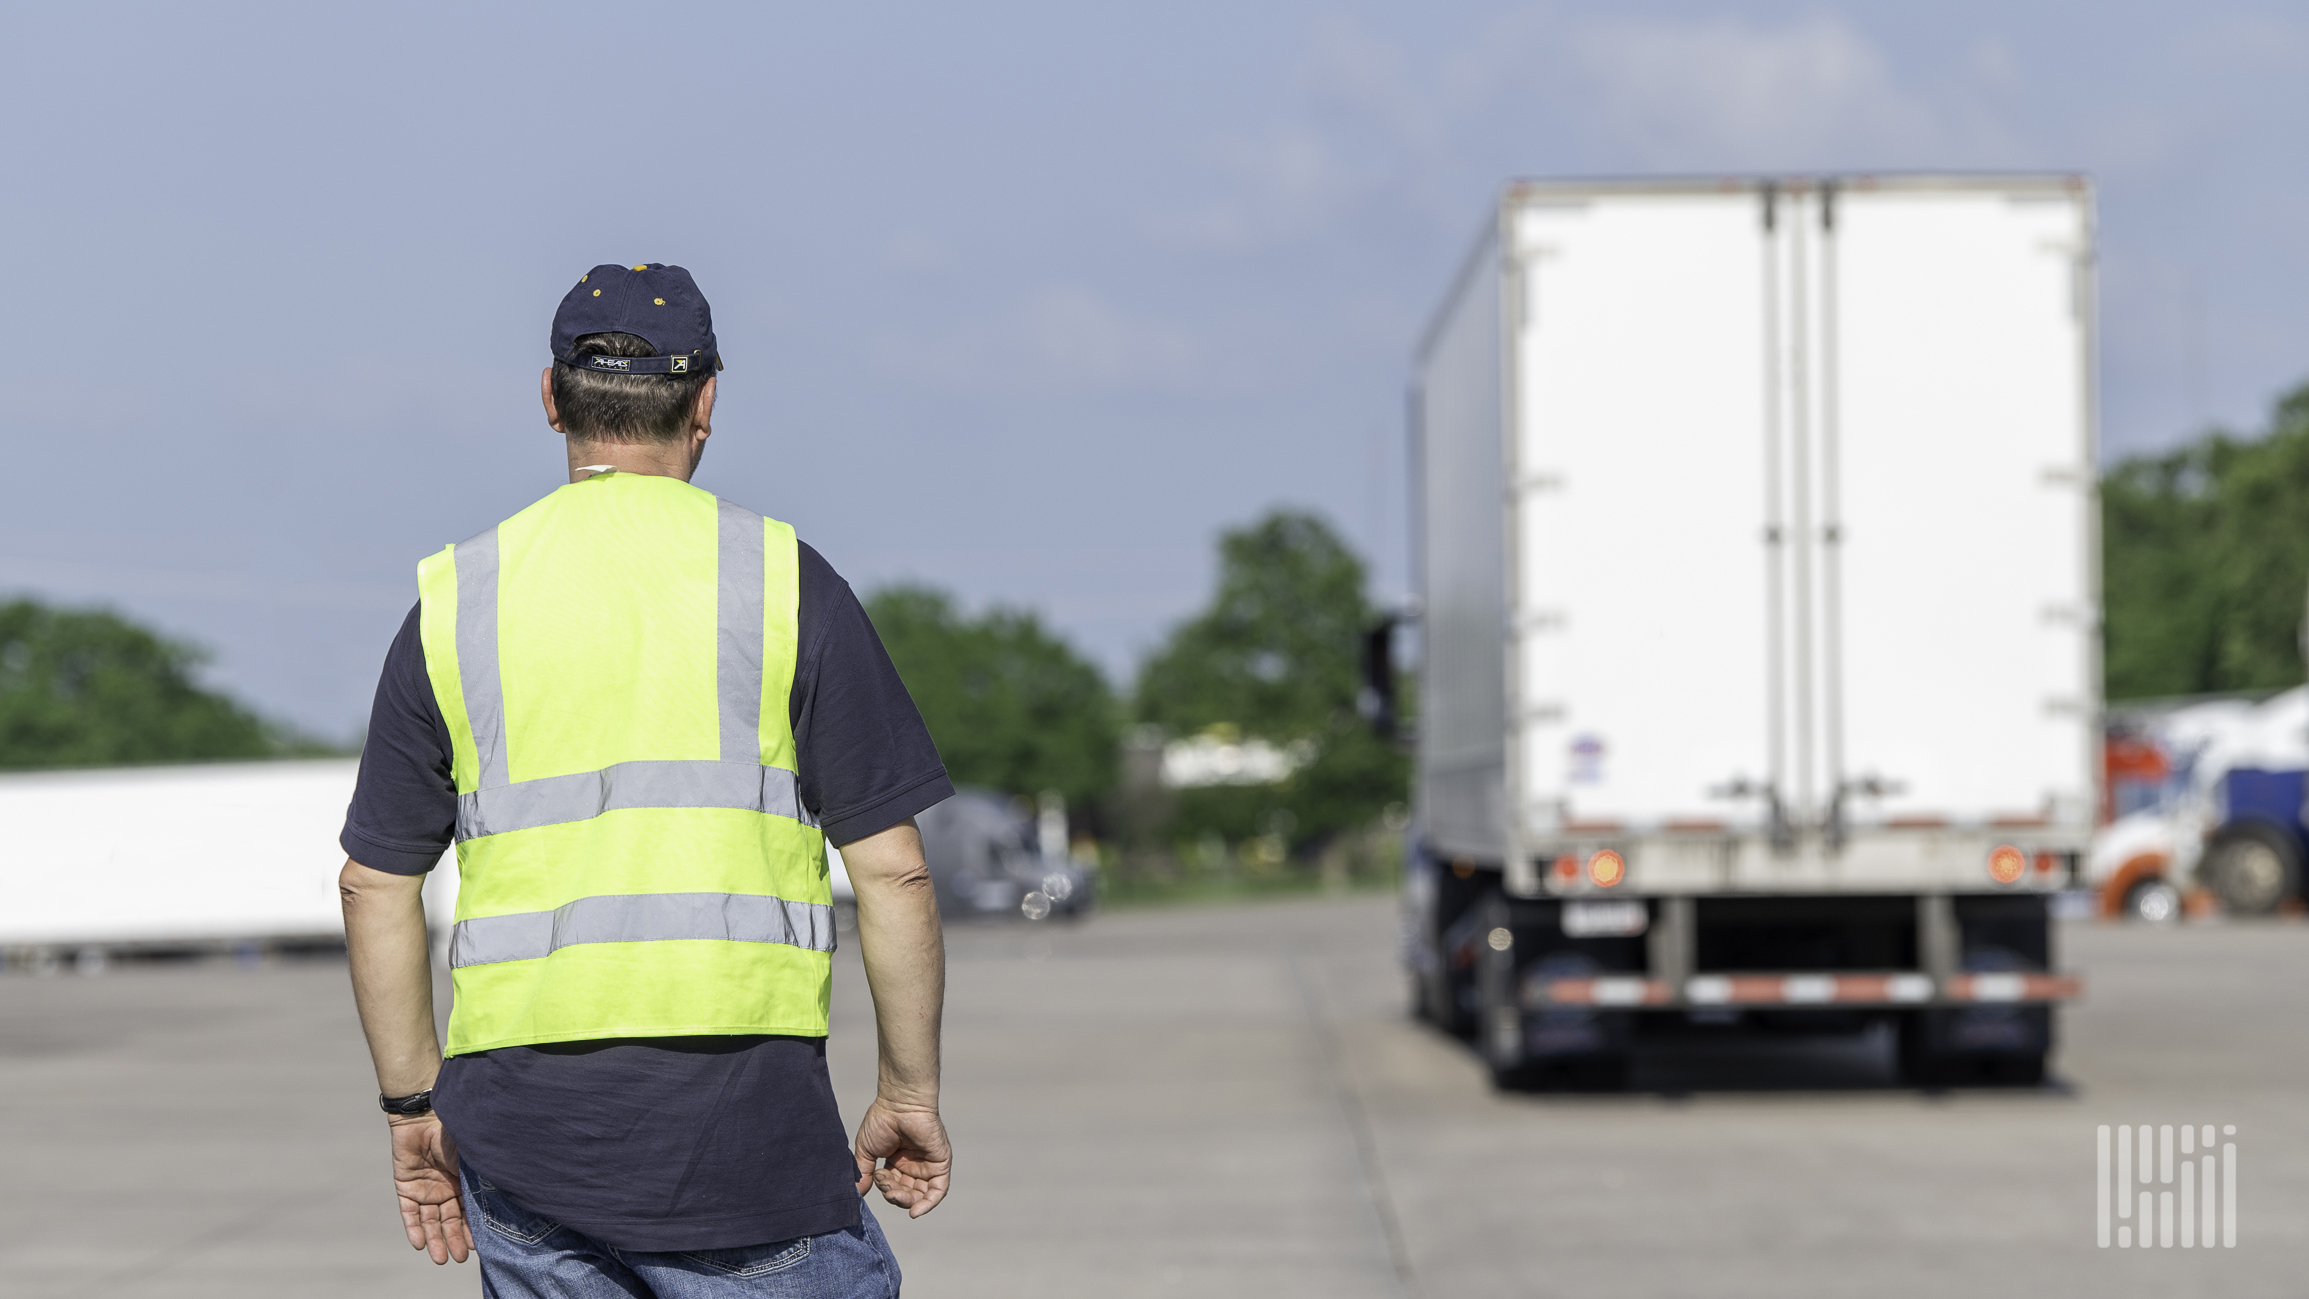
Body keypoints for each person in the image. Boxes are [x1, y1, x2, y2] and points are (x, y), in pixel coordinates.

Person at [336, 262, 953, 1297]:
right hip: (744, 1138)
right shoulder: (781, 580)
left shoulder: (456, 600)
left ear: (550, 398)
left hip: (525, 1143)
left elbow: (374, 883)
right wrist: (907, 1089)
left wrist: (411, 1111)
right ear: (705, 401)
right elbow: (893, 875)